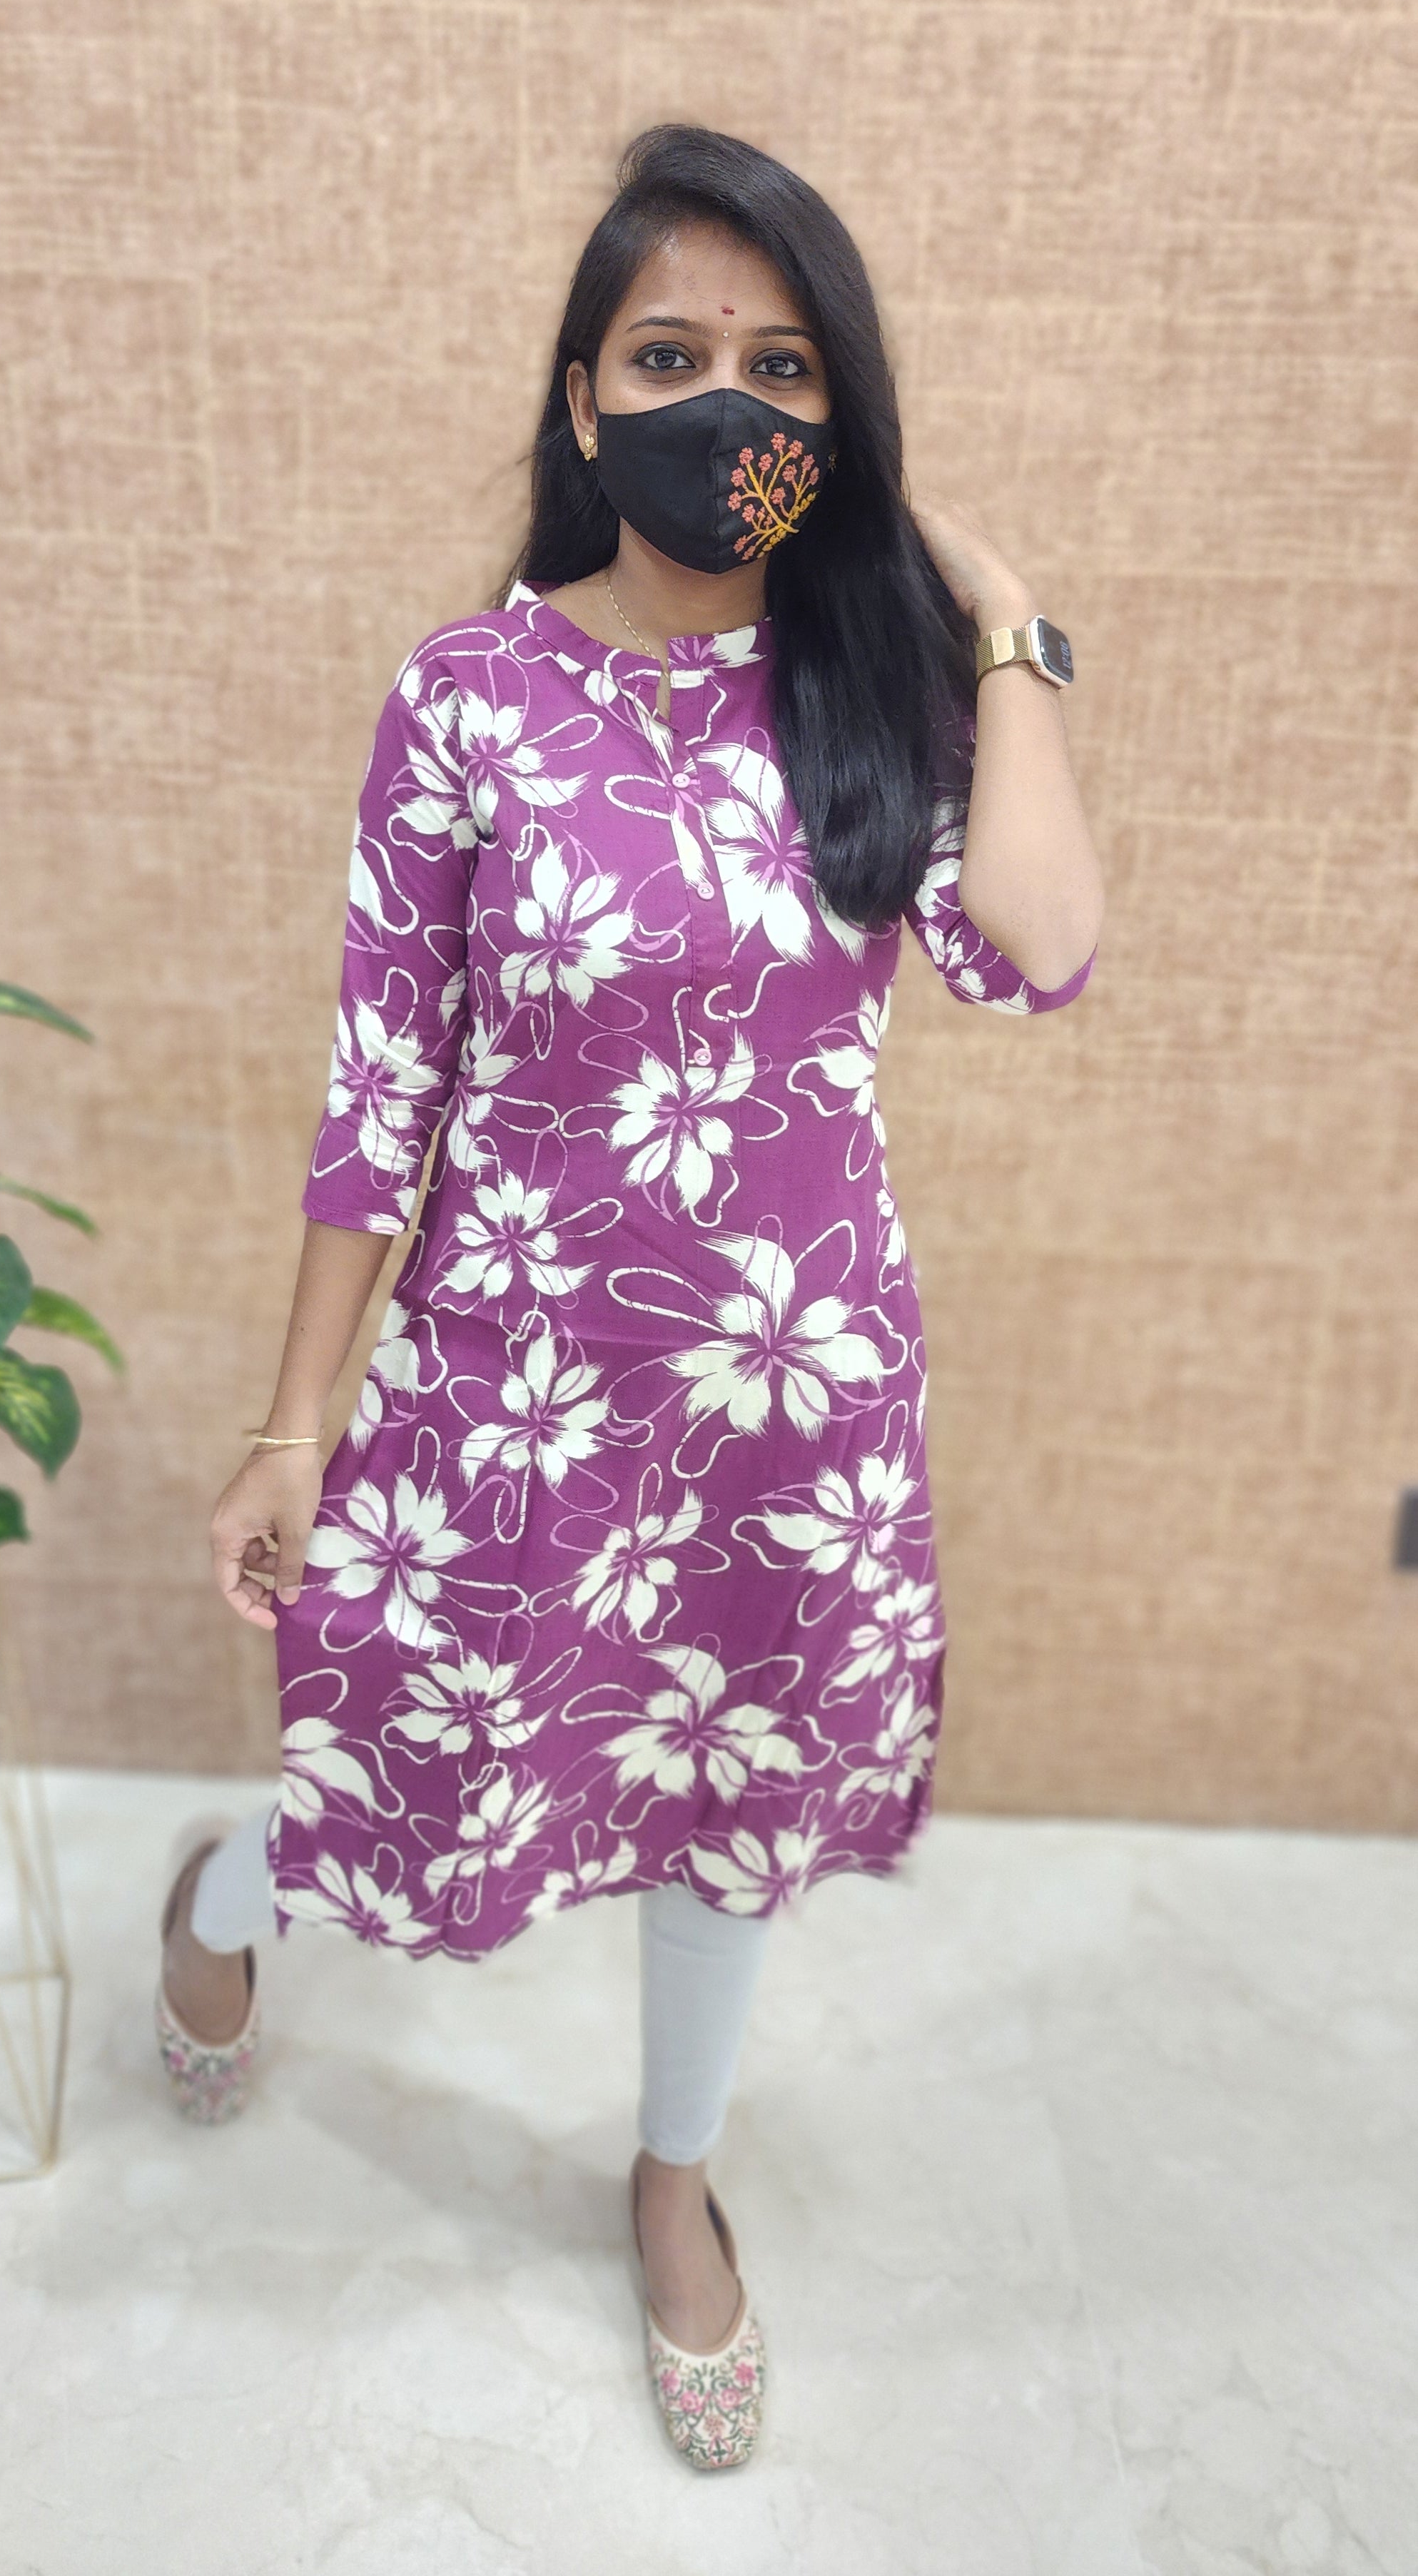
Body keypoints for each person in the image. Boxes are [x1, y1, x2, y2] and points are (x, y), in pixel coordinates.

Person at [155, 124, 1103, 2473]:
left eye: (780, 366)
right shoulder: (466, 696)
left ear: (834, 417)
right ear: (582, 402)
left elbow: (1035, 946)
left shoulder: (870, 690)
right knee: (406, 1767)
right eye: (666, 356)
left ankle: (671, 2182)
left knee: (721, 1810)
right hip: (514, 1392)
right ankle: (229, 1892)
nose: (722, 404)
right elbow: (380, 1089)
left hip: (790, 1406)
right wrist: (292, 1425)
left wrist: (994, 620)